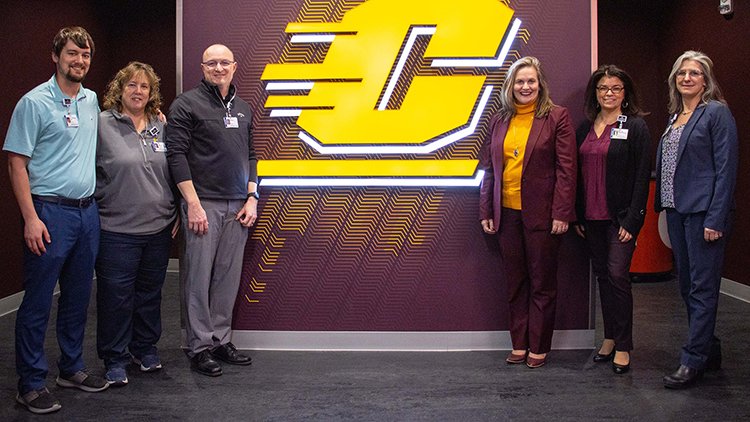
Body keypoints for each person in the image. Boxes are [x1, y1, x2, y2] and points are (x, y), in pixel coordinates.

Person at [3, 26, 109, 414]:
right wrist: (30, 218)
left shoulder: (91, 99)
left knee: (79, 298)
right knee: (37, 302)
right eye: (71, 54)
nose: (79, 61)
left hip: (87, 213)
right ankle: (30, 383)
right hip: (49, 212)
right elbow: (16, 163)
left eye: (85, 56)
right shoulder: (33, 102)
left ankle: (71, 369)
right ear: (56, 57)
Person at [166, 44, 258, 376]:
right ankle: (200, 346)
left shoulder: (244, 108)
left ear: (234, 67)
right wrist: (191, 204)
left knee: (226, 279)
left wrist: (252, 197)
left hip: (239, 207)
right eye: (211, 63)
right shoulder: (186, 104)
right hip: (201, 204)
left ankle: (221, 341)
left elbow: (251, 156)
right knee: (197, 278)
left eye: (224, 63)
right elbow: (175, 155)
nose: (218, 68)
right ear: (202, 68)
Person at [479, 56, 577, 368]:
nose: (525, 86)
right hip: (506, 214)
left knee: (542, 283)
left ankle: (539, 346)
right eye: (519, 81)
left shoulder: (557, 117)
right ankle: (519, 344)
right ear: (510, 86)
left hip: (543, 216)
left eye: (531, 81)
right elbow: (489, 170)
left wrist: (562, 212)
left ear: (540, 84)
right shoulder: (499, 120)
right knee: (515, 283)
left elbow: (567, 169)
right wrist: (486, 209)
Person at [655, 51, 738, 389]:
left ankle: (692, 359)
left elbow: (726, 169)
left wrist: (716, 217)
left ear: (706, 80)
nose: (687, 78)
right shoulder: (676, 116)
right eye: (681, 73)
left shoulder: (716, 113)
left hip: (705, 214)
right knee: (689, 287)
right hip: (677, 212)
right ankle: (709, 349)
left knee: (702, 289)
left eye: (694, 73)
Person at [94, 62, 177, 386]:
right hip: (116, 229)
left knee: (149, 294)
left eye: (144, 86)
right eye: (132, 85)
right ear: (120, 88)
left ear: (151, 92)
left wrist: (177, 211)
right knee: (116, 296)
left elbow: (172, 170)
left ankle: (145, 348)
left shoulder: (160, 124)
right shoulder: (101, 124)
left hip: (158, 227)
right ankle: (115, 357)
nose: (138, 91)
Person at [573, 65, 651, 375]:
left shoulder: (635, 127)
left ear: (625, 93)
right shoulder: (584, 128)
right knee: (603, 277)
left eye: (615, 88)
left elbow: (642, 177)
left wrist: (632, 222)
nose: (609, 93)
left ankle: (624, 345)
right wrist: (577, 214)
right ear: (595, 93)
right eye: (603, 88)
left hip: (620, 220)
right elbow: (577, 175)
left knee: (619, 277)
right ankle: (608, 337)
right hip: (590, 219)